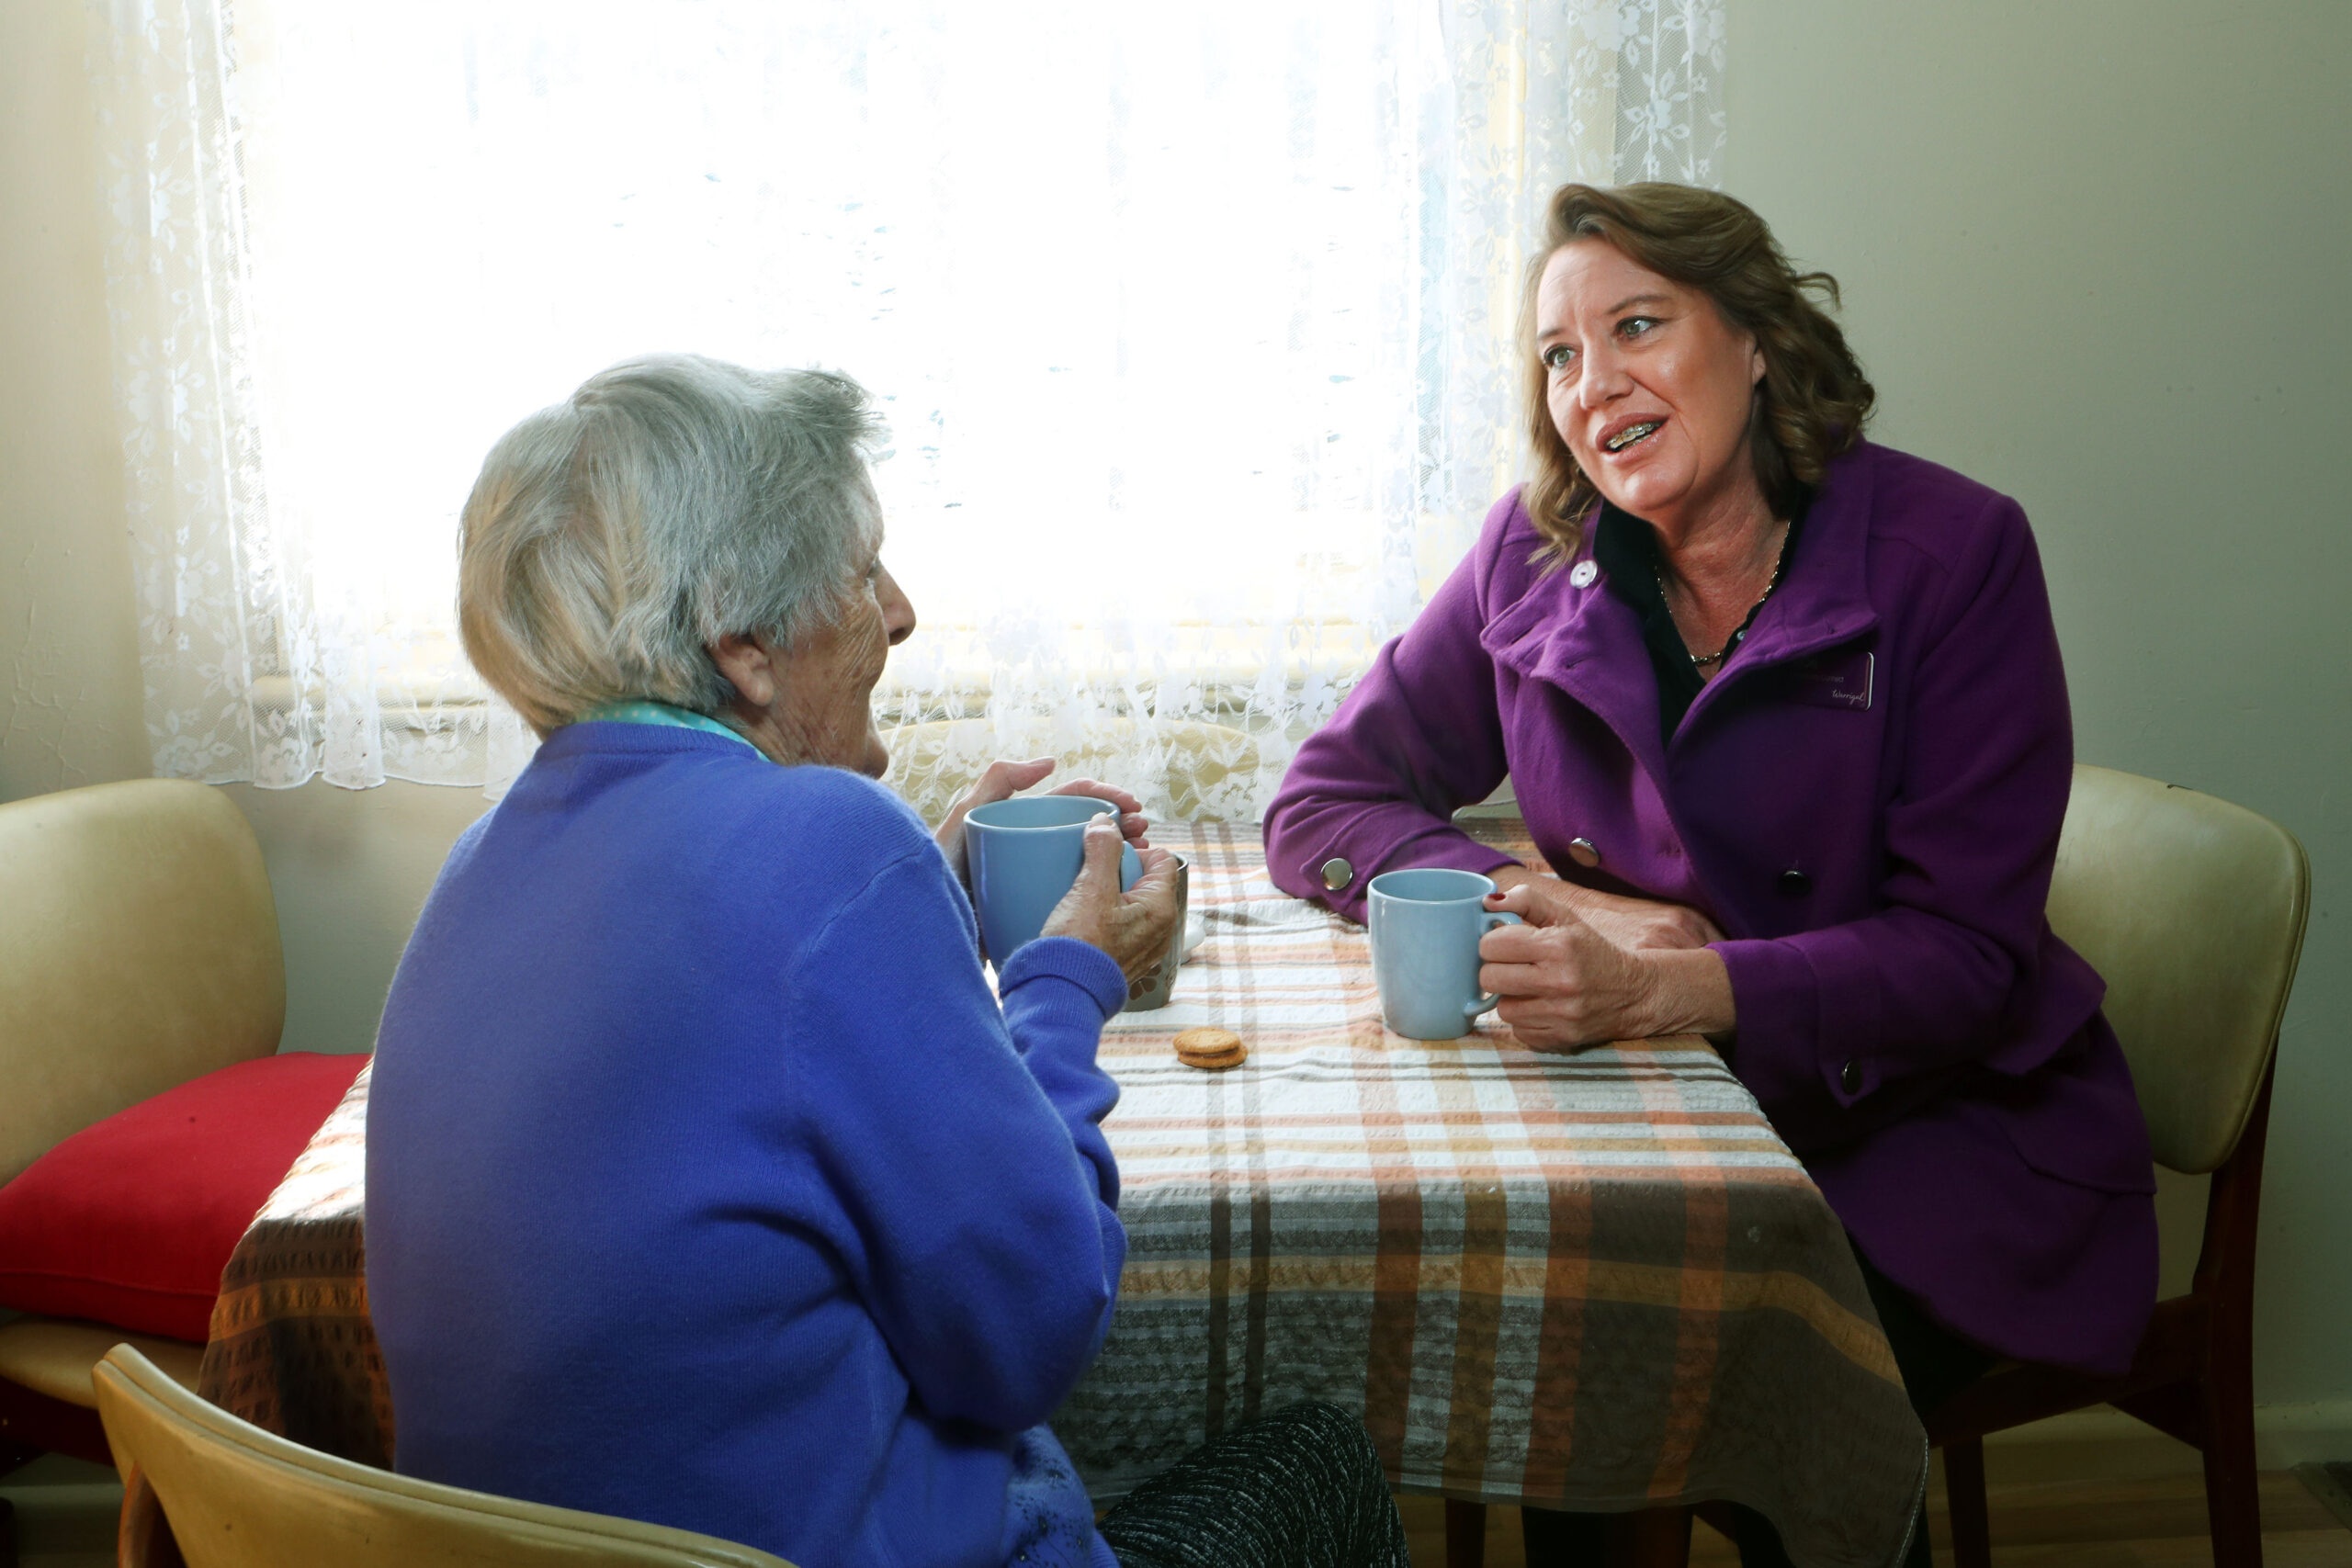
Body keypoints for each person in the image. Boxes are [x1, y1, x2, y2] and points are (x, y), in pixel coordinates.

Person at [365, 354, 1409, 1568]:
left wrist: (916, 905)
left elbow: (731, 1045)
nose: (901, 610)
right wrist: (1065, 987)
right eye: (861, 573)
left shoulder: (482, 861)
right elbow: (1030, 1334)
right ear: (744, 646)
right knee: (1317, 1462)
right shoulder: (833, 849)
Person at [1262, 185, 2158, 1566]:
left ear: (1755, 338)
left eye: (1636, 326)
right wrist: (1549, 902)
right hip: (1652, 1131)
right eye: (1559, 356)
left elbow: (1968, 960)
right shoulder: (1533, 549)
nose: (1593, 383)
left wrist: (1672, 989)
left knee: (1701, 1374)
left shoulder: (1956, 557)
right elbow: (1325, 800)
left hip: (1923, 1141)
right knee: (1562, 1347)